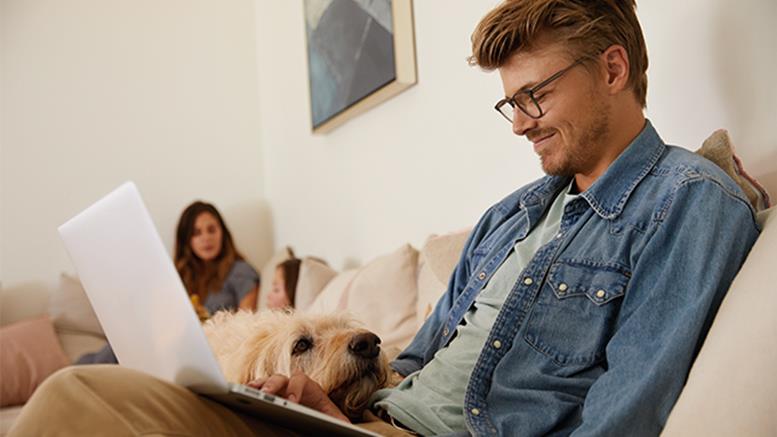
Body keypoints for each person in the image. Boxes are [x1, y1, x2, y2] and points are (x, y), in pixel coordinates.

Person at [8, 1, 761, 436]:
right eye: (510, 102)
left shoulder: (687, 199)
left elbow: (625, 413)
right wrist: (327, 399)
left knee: (77, 403)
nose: (518, 124)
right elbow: (412, 363)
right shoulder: (512, 214)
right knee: (88, 392)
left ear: (612, 68)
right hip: (364, 423)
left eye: (534, 95)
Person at [76, 200, 260, 364]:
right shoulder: (180, 276)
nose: (206, 238)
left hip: (205, 349)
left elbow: (245, 326)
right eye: (196, 233)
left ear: (223, 233)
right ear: (187, 241)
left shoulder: (241, 272)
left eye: (212, 230)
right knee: (126, 340)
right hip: (169, 345)